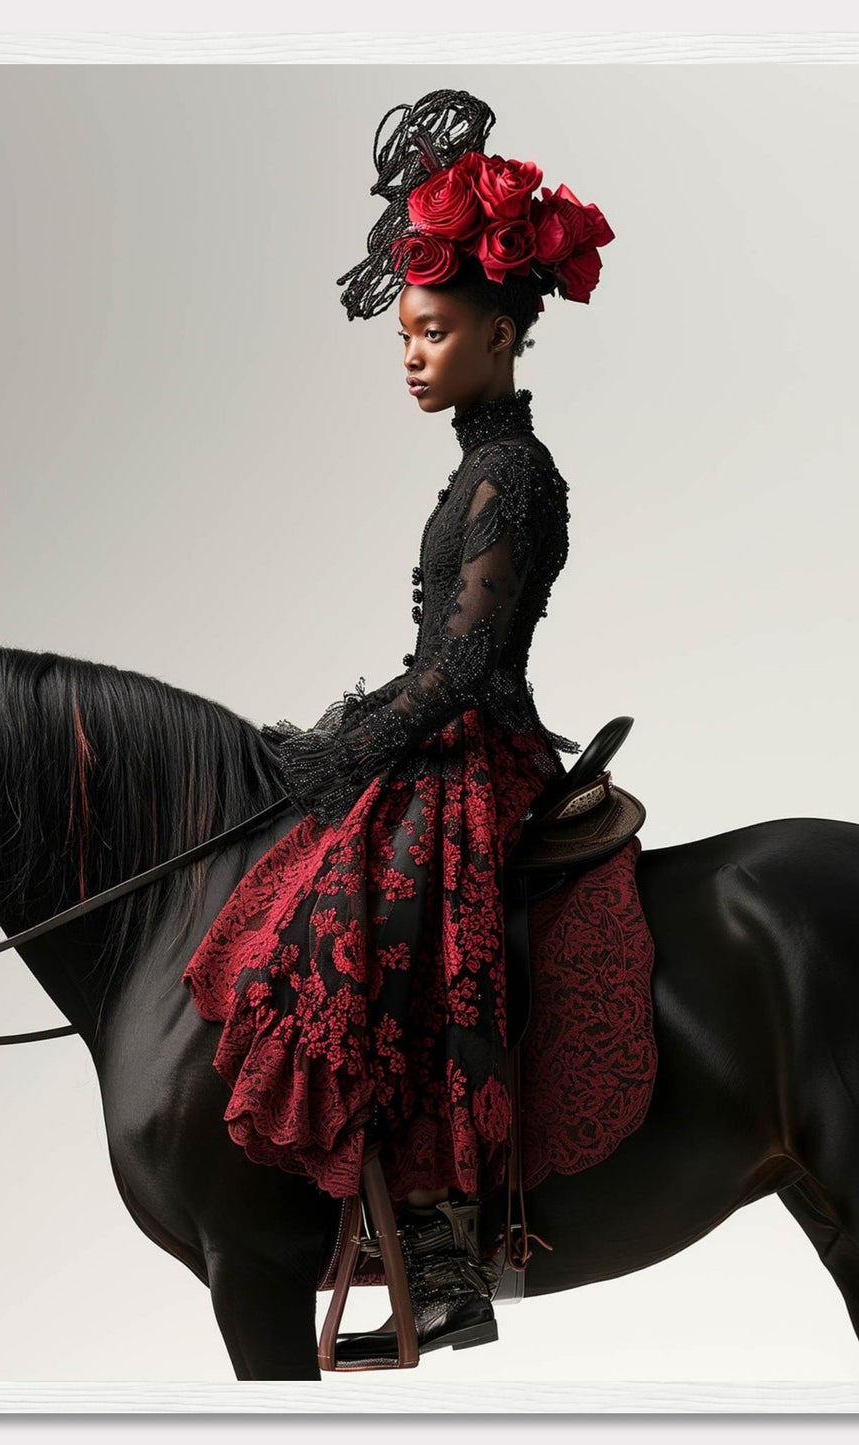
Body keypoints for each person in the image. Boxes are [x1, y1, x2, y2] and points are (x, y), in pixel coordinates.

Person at [181, 87, 614, 1361]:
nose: (412, 354)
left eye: (432, 332)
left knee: (381, 909)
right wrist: (357, 722)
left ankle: (437, 1238)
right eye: (405, 335)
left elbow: (467, 668)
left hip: (476, 745)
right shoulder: (481, 462)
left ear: (496, 330)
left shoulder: (512, 475)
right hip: (444, 723)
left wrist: (340, 743)